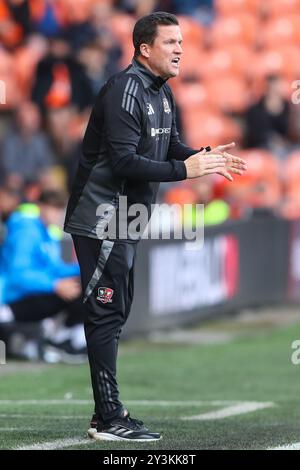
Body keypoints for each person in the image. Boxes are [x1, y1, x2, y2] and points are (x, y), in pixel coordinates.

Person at [64, 11, 247, 442]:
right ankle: (109, 417)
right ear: (145, 48)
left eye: (181, 41)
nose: (180, 48)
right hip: (103, 215)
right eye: (170, 42)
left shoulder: (161, 93)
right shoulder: (125, 90)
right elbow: (126, 160)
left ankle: (105, 413)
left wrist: (203, 156)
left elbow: (169, 147)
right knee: (106, 312)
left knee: (116, 310)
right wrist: (186, 170)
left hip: (128, 217)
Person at [0, 190, 86, 360]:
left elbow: (53, 269)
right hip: (11, 297)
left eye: (60, 209)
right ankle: (59, 340)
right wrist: (54, 285)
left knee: (88, 282)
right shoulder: (26, 231)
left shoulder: (47, 233)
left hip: (32, 293)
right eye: (53, 208)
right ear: (40, 207)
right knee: (76, 289)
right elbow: (18, 275)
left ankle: (63, 339)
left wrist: (86, 267)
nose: (57, 214)